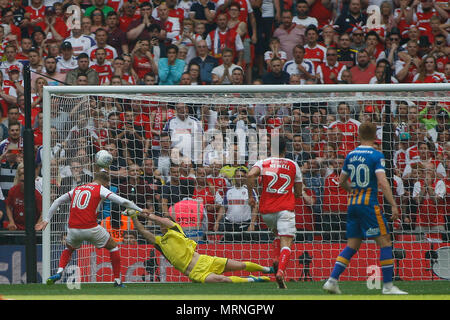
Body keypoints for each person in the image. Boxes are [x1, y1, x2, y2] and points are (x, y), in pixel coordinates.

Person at [322, 122, 408, 295]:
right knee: (385, 242)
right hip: (369, 205)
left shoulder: (351, 154)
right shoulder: (376, 155)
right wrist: (393, 204)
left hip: (353, 204)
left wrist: (352, 191)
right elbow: (383, 182)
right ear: (375, 136)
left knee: (352, 244)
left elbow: (341, 181)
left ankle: (332, 280)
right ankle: (388, 287)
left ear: (358, 135)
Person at [36, 171, 143, 287]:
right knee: (113, 247)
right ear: (106, 182)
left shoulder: (78, 189)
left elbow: (57, 201)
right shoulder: (100, 189)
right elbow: (123, 201)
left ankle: (59, 271)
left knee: (69, 248)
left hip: (73, 229)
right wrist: (141, 210)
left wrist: (46, 220)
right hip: (90, 227)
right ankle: (117, 280)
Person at [130, 209, 273, 283]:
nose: (162, 225)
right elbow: (142, 231)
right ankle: (252, 280)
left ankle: (267, 269)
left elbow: (163, 220)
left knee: (240, 265)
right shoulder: (159, 242)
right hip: (195, 273)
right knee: (222, 280)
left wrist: (148, 215)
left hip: (205, 260)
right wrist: (134, 217)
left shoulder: (175, 229)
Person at [247, 135, 303, 289]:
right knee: (287, 242)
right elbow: (298, 192)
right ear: (286, 149)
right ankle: (280, 272)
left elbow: (250, 175)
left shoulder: (263, 163)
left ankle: (276, 259)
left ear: (270, 149)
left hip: (267, 211)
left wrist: (251, 196)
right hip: (285, 209)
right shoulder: (293, 165)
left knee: (276, 234)